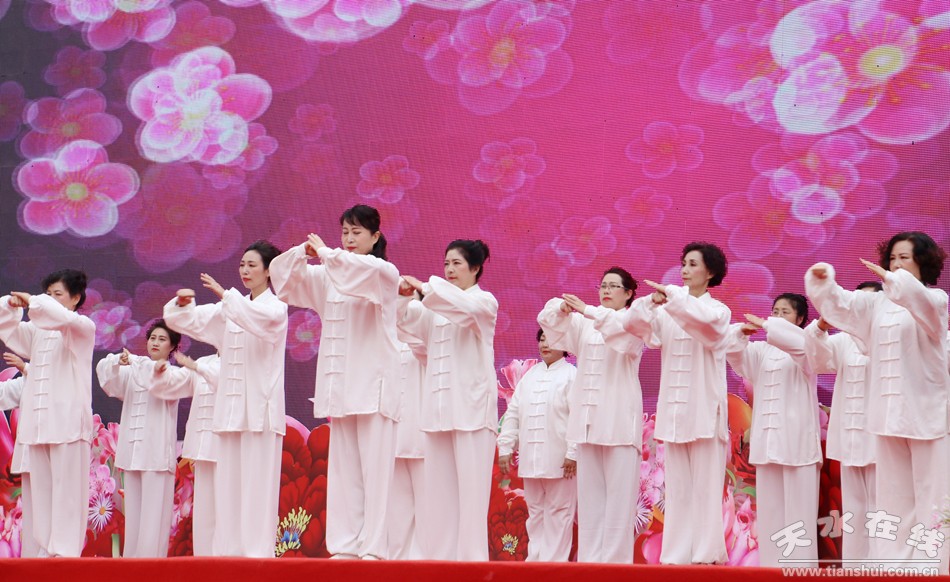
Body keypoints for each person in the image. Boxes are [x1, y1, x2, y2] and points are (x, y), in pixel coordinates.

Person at [806, 232, 949, 572]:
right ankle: (896, 562)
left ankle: (933, 563)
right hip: (887, 415)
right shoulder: (877, 304)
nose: (896, 265)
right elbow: (846, 305)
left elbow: (922, 306)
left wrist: (896, 281)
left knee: (931, 492)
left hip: (926, 413)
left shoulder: (936, 299)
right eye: (893, 258)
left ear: (923, 262)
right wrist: (825, 283)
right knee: (894, 495)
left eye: (905, 258)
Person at [269, 205, 401, 560]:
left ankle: (374, 548)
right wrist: (301, 253)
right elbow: (284, 281)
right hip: (342, 386)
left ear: (375, 237)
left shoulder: (383, 272)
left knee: (375, 471)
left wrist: (327, 253)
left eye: (357, 232)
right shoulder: (329, 274)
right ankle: (345, 545)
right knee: (345, 469)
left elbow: (354, 271)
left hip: (374, 387)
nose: (349, 239)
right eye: (345, 232)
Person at [163, 240, 287, 558]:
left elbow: (261, 322)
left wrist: (225, 295)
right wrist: (181, 305)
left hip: (260, 412)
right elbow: (188, 320)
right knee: (228, 486)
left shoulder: (276, 308)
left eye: (252, 265)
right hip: (231, 411)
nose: (245, 270)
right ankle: (228, 553)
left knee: (256, 486)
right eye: (242, 264)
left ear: (269, 271)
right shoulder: (229, 309)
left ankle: (256, 554)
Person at [622, 242, 730, 564]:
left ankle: (707, 552)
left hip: (705, 411)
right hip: (675, 411)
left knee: (706, 486)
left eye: (693, 264)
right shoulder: (670, 310)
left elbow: (706, 327)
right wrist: (650, 302)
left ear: (710, 273)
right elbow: (633, 324)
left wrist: (673, 298)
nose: (684, 270)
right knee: (679, 488)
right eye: (683, 263)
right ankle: (677, 553)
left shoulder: (718, 311)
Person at [397, 239, 498, 561]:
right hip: (438, 412)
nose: (450, 270)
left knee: (471, 493)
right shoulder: (434, 306)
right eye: (446, 264)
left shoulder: (484, 302)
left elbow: (463, 310)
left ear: (475, 268)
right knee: (439, 493)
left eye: (457, 263)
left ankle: (471, 562)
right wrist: (403, 299)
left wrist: (426, 290)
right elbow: (408, 327)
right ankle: (440, 561)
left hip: (471, 412)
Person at [537, 267, 644, 563]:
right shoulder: (585, 324)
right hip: (587, 424)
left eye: (613, 286)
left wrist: (588, 311)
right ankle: (590, 565)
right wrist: (562, 309)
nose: (606, 290)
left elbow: (622, 339)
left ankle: (616, 567)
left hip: (619, 424)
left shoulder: (633, 323)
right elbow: (548, 322)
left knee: (619, 503)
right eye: (603, 285)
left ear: (628, 293)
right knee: (590, 502)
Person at [0, 269, 95, 557]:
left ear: (75, 298)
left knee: (68, 490)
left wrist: (35, 302)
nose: (50, 300)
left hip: (68, 423)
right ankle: (44, 549)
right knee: (40, 491)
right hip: (39, 423)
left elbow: (56, 316)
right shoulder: (38, 331)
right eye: (48, 294)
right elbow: (9, 330)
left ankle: (65, 552)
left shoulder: (81, 327)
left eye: (58, 294)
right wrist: (11, 306)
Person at [726, 294, 821, 567]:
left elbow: (802, 350)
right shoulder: (761, 350)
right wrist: (741, 334)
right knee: (770, 512)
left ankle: (800, 569)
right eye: (774, 311)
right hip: (768, 443)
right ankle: (771, 568)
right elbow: (736, 356)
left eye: (785, 312)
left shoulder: (808, 345)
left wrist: (769, 326)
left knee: (799, 514)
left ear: (800, 319)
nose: (777, 317)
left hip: (797, 444)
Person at [803, 281, 882, 562]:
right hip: (849, 434)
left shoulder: (888, 337)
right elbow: (818, 360)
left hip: (879, 436)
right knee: (854, 507)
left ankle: (883, 565)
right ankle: (855, 566)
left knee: (880, 505)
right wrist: (820, 328)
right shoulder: (843, 340)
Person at [96, 319, 182, 558]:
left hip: (156, 456)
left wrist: (134, 361)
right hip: (133, 453)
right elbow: (107, 379)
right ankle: (131, 564)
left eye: (162, 339)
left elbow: (155, 379)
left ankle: (150, 565)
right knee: (133, 516)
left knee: (153, 517)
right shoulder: (133, 370)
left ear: (172, 347)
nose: (155, 343)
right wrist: (117, 362)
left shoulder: (174, 375)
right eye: (152, 338)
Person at [497, 328, 578, 562]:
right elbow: (513, 413)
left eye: (551, 340)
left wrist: (573, 452)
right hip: (531, 458)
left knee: (559, 513)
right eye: (542, 339)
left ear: (565, 345)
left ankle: (554, 565)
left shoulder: (572, 375)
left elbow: (578, 417)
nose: (545, 344)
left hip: (561, 460)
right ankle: (535, 563)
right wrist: (506, 447)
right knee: (535, 513)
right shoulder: (530, 376)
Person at [148, 350, 221, 556]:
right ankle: (204, 561)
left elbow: (223, 381)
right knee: (204, 512)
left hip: (228, 446)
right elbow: (176, 382)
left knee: (226, 510)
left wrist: (196, 367)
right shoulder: (204, 360)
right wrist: (161, 372)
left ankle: (227, 562)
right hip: (203, 447)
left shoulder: (240, 361)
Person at [387, 337, 427, 559]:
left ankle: (424, 564)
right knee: (396, 514)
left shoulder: (424, 334)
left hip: (423, 437)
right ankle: (397, 563)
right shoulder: (386, 336)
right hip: (392, 437)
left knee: (427, 512)